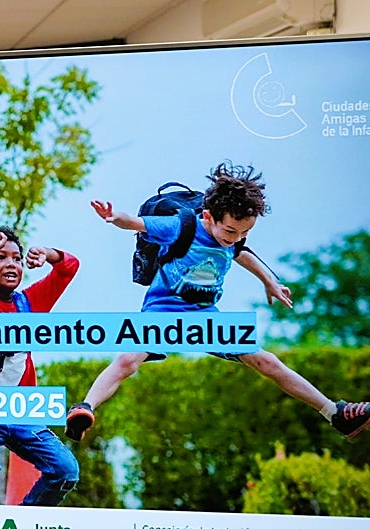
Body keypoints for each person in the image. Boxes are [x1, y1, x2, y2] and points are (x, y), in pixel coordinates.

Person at [64, 162, 369, 442]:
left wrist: (270, 282)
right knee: (128, 360)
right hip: (163, 311)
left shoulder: (232, 240)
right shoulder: (181, 227)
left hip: (205, 315)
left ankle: (335, 413)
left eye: (245, 232)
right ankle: (85, 407)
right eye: (231, 230)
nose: (235, 238)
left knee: (267, 362)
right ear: (209, 217)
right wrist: (114, 217)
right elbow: (137, 223)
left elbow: (242, 255)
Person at [0, 227, 81, 505]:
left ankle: (22, 520)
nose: (11, 264)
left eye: (17, 259)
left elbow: (69, 267)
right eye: (0, 257)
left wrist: (47, 254)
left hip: (21, 409)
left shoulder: (31, 303)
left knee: (66, 469)